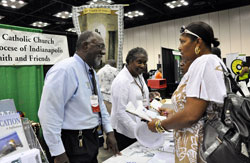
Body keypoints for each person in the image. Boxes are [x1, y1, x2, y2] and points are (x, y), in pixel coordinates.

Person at [147, 21, 227, 163]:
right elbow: (204, 110)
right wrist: (175, 113)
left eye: (183, 42)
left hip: (197, 145)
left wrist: (160, 125)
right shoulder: (213, 61)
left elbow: (191, 115)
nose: (179, 47)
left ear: (198, 42)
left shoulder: (203, 62)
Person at [38, 31, 120, 163]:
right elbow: (48, 114)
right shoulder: (65, 70)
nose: (104, 52)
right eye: (100, 46)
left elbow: (99, 104)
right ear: (85, 46)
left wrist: (109, 131)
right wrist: (58, 152)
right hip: (73, 142)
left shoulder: (91, 71)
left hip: (90, 139)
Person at [110, 47, 159, 151]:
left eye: (144, 63)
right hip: (126, 132)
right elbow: (120, 112)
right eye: (139, 62)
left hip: (139, 126)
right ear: (129, 61)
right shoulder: (122, 81)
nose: (142, 66)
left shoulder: (138, 76)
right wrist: (137, 131)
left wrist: (149, 95)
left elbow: (136, 95)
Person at [97, 59, 119, 149]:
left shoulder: (99, 71)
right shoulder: (116, 71)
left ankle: (106, 144)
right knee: (113, 122)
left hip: (102, 99)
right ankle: (113, 142)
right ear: (114, 64)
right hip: (112, 99)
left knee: (105, 121)